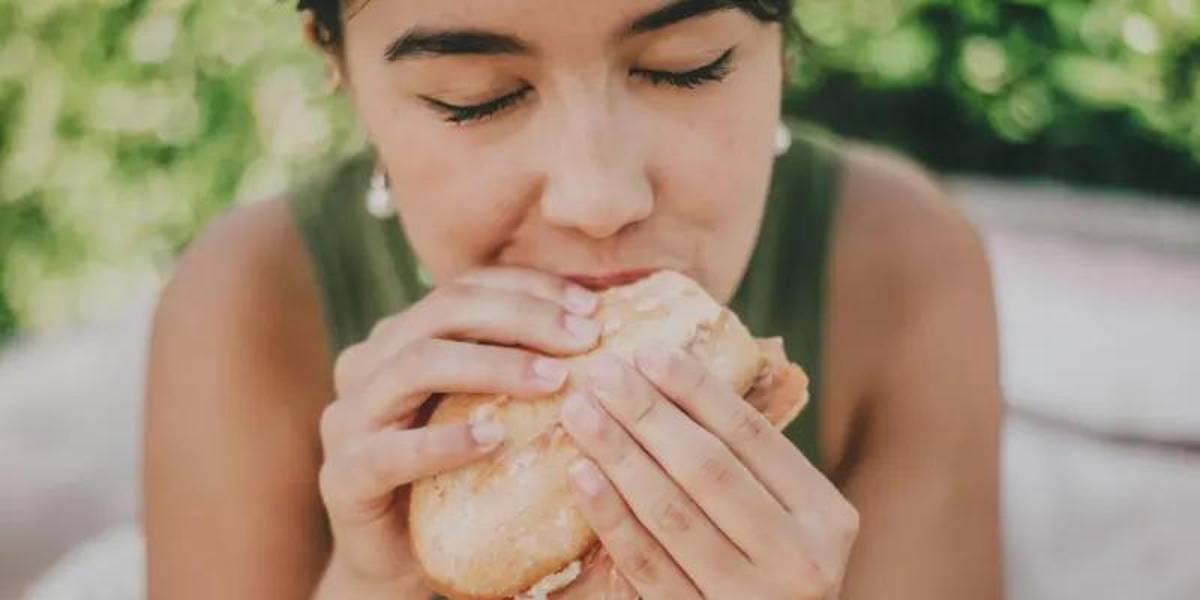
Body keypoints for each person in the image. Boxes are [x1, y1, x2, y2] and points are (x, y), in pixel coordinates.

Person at [144, 1, 1002, 598]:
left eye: (685, 67)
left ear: (781, 41)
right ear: (337, 65)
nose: (598, 201)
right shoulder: (246, 309)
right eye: (476, 97)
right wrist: (373, 583)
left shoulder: (901, 268)